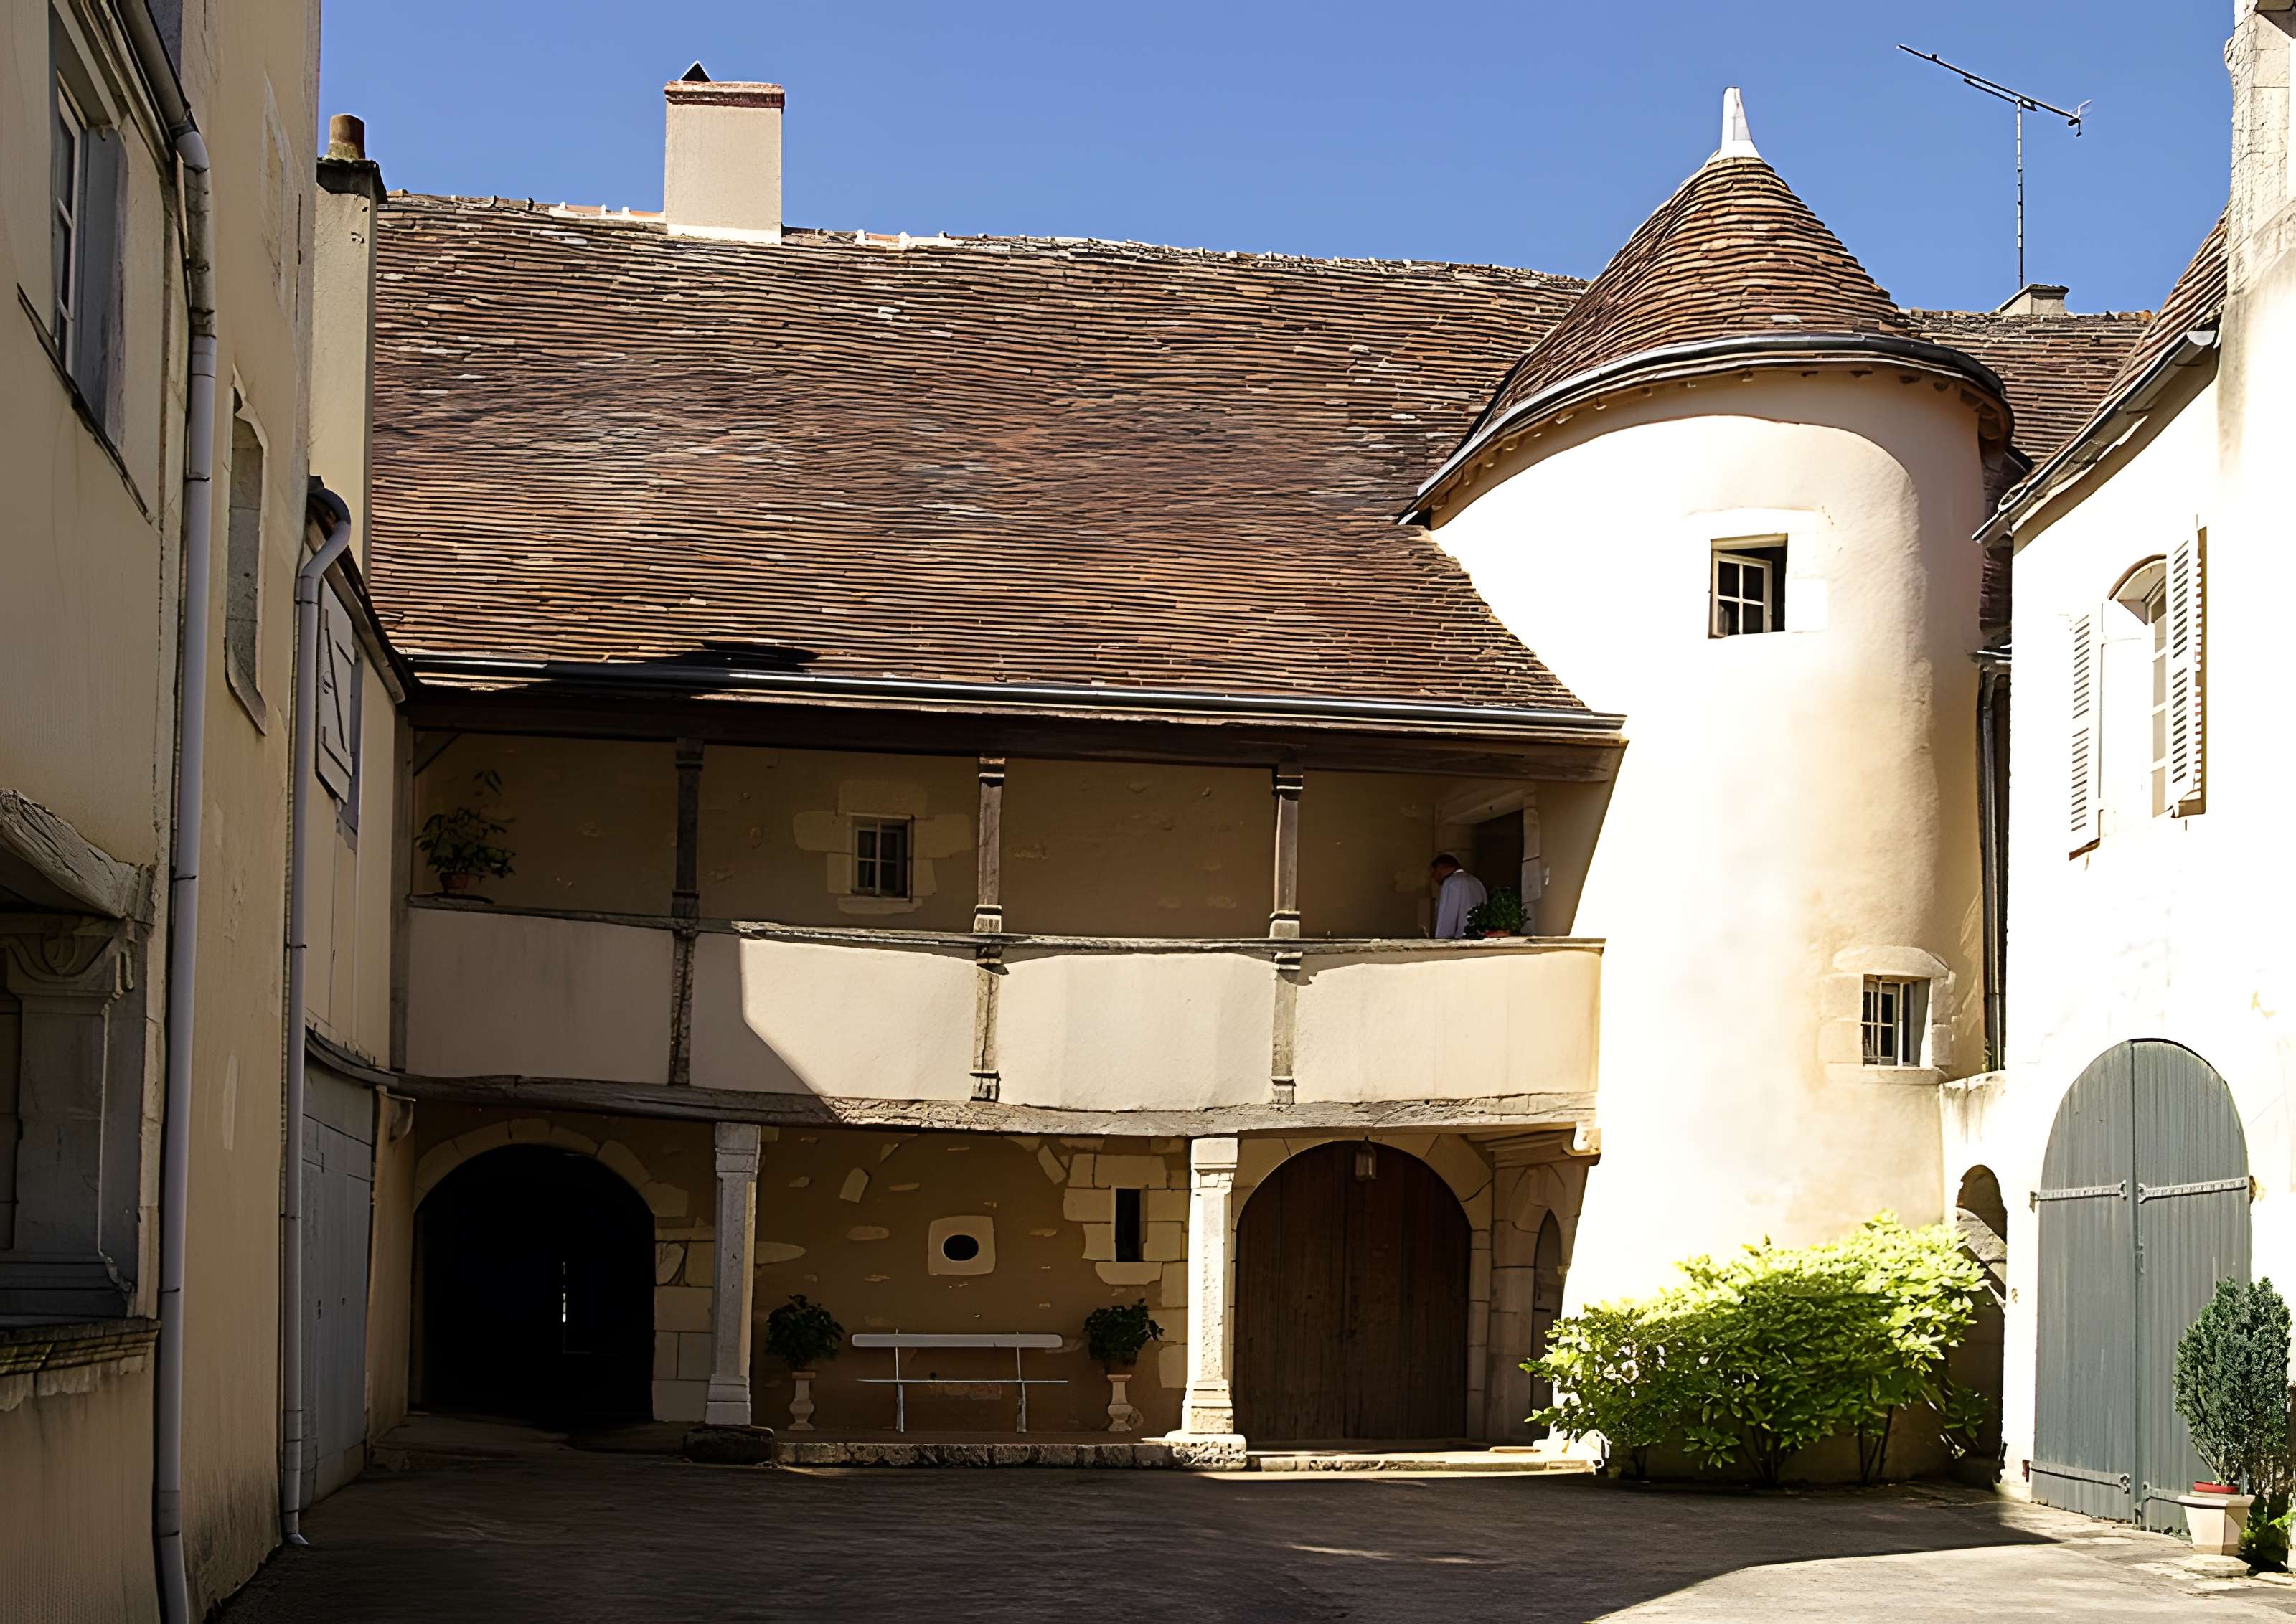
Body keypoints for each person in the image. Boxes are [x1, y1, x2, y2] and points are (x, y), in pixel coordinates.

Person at [1430, 854, 1487, 939]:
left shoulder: (1450, 883)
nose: (1435, 878)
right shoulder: (1476, 881)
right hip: (1479, 939)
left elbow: (1446, 919)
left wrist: (1440, 941)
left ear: (1440, 868)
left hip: (1457, 943)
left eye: (1434, 873)